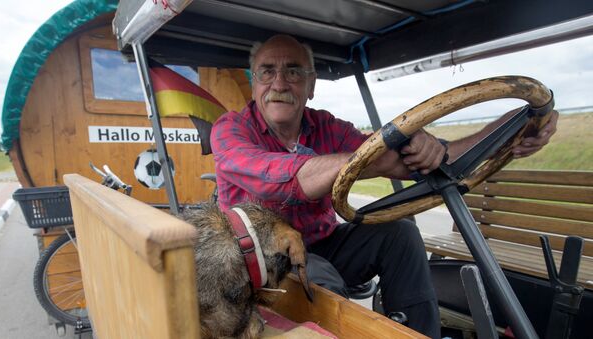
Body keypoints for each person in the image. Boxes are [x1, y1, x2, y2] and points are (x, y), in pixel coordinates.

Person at [210, 35, 558, 338]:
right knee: (318, 278)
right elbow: (284, 179)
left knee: (401, 235)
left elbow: (420, 158)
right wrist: (373, 157)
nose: (280, 83)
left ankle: (417, 333)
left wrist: (512, 130)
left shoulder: (329, 128)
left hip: (324, 243)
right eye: (267, 71)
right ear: (254, 83)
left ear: (311, 84)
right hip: (259, 260)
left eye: (294, 71)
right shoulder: (231, 130)